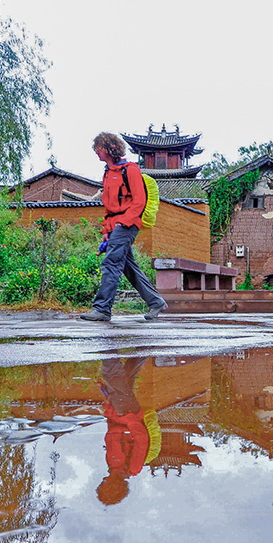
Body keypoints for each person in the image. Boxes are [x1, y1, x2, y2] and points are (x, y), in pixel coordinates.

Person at [79, 132, 167, 321]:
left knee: (111, 263)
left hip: (128, 223)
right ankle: (156, 302)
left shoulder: (130, 170)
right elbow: (109, 207)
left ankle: (102, 309)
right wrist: (106, 230)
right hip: (115, 225)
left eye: (98, 148)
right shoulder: (107, 173)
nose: (96, 152)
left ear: (109, 148)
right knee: (127, 266)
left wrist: (122, 224)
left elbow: (139, 201)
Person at [96, 357, 150, 505]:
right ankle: (108, 344)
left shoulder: (111, 465)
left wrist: (108, 410)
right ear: (113, 488)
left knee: (127, 375)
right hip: (127, 413)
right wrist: (128, 418)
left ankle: (145, 346)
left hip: (117, 412)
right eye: (103, 486)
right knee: (111, 375)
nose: (101, 482)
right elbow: (142, 438)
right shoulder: (132, 468)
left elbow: (112, 431)